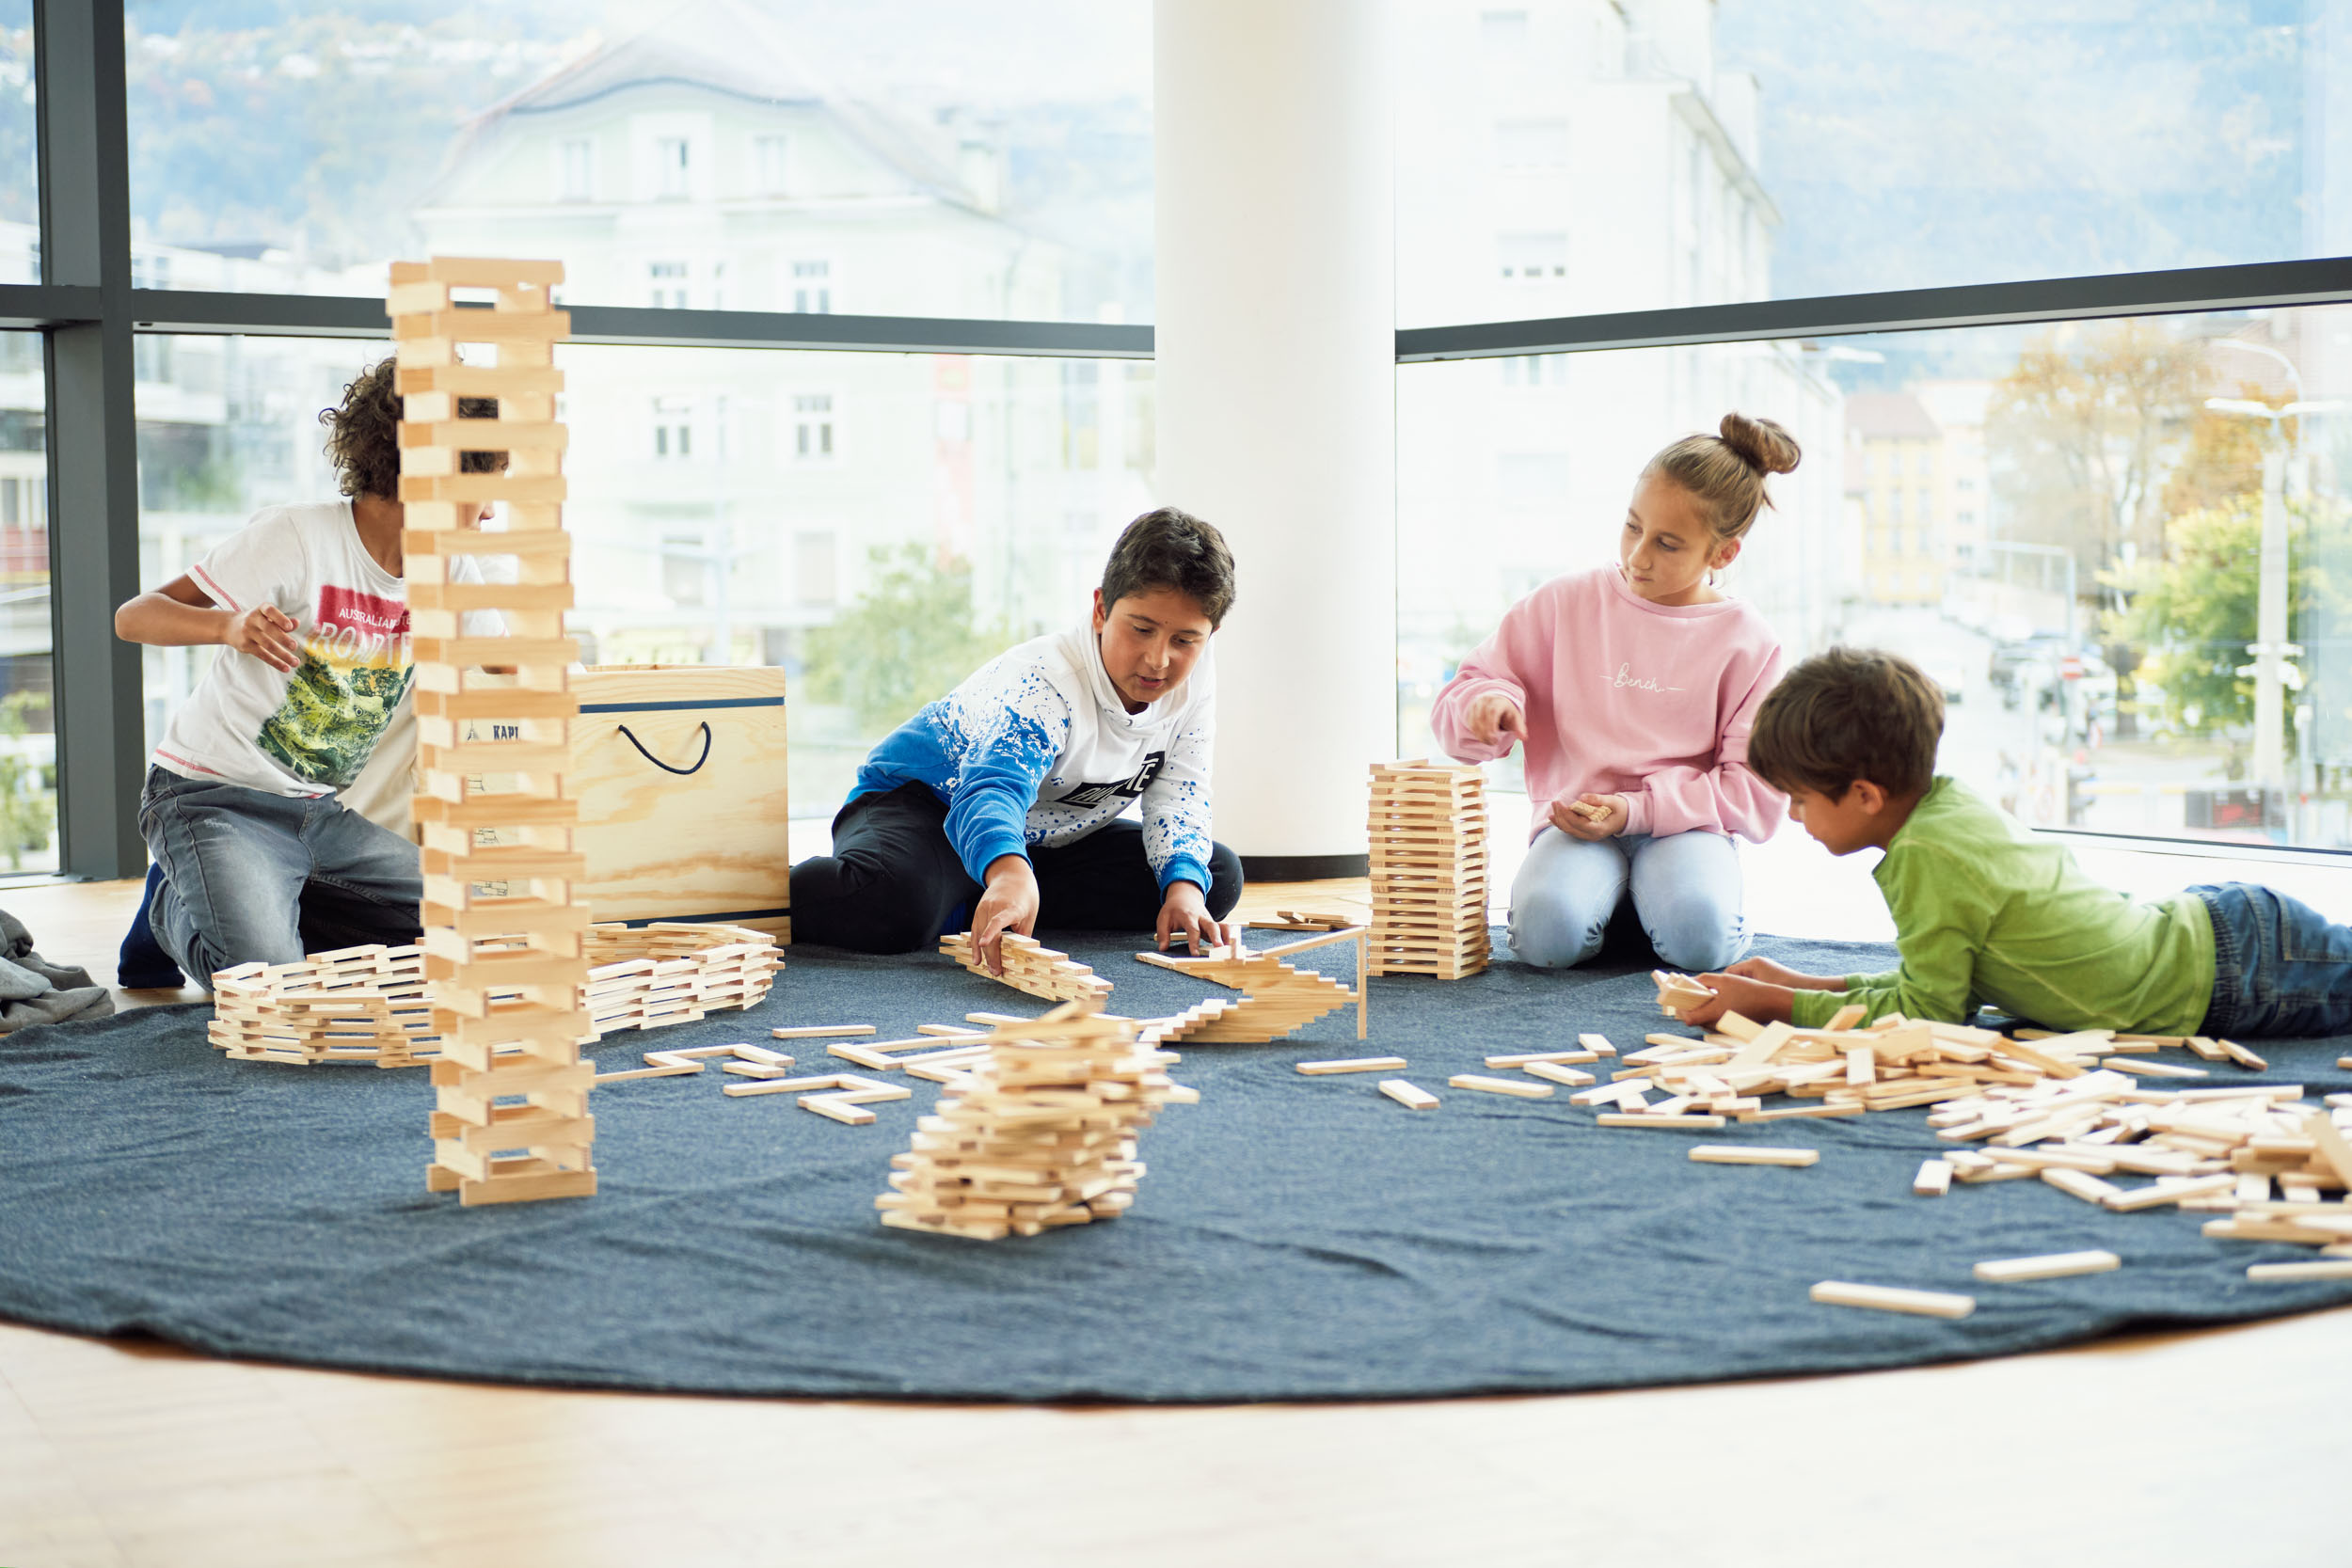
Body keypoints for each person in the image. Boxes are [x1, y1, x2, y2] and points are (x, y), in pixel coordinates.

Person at [1684, 647, 2352, 1038]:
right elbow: (1944, 981)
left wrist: (1778, 1006)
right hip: (2222, 938)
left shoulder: (1929, 860)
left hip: (2230, 975)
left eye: (1801, 799)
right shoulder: (1942, 809)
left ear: (1865, 795)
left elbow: (1929, 1014)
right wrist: (1802, 979)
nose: (1796, 817)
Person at [114, 359, 504, 983]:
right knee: (273, 990)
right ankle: (170, 908)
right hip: (213, 798)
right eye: (484, 486)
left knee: (473, 929)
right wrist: (227, 626)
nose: (489, 515)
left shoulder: (450, 568)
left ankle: (261, 900)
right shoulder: (297, 536)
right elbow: (135, 617)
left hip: (318, 815)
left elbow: (508, 659)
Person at [791, 506, 1244, 970]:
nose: (1158, 659)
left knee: (1212, 877)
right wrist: (1007, 871)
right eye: (1142, 629)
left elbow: (1180, 794)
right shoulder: (1044, 682)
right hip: (925, 806)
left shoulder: (1194, 682)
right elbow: (991, 790)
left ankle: (978, 899)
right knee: (896, 904)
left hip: (1040, 841)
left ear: (1211, 635)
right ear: (1101, 610)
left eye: (1184, 641)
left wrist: (1184, 888)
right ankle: (966, 891)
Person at [1429, 413, 1799, 973]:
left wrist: (1634, 812)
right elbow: (1473, 687)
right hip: (1575, 823)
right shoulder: (1563, 602)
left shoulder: (1751, 643)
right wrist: (1486, 706)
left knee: (1702, 944)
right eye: (1632, 527)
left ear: (1722, 555)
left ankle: (1649, 906)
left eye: (1667, 544)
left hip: (1684, 826)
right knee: (1544, 942)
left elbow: (1752, 792)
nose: (1637, 556)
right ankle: (1623, 908)